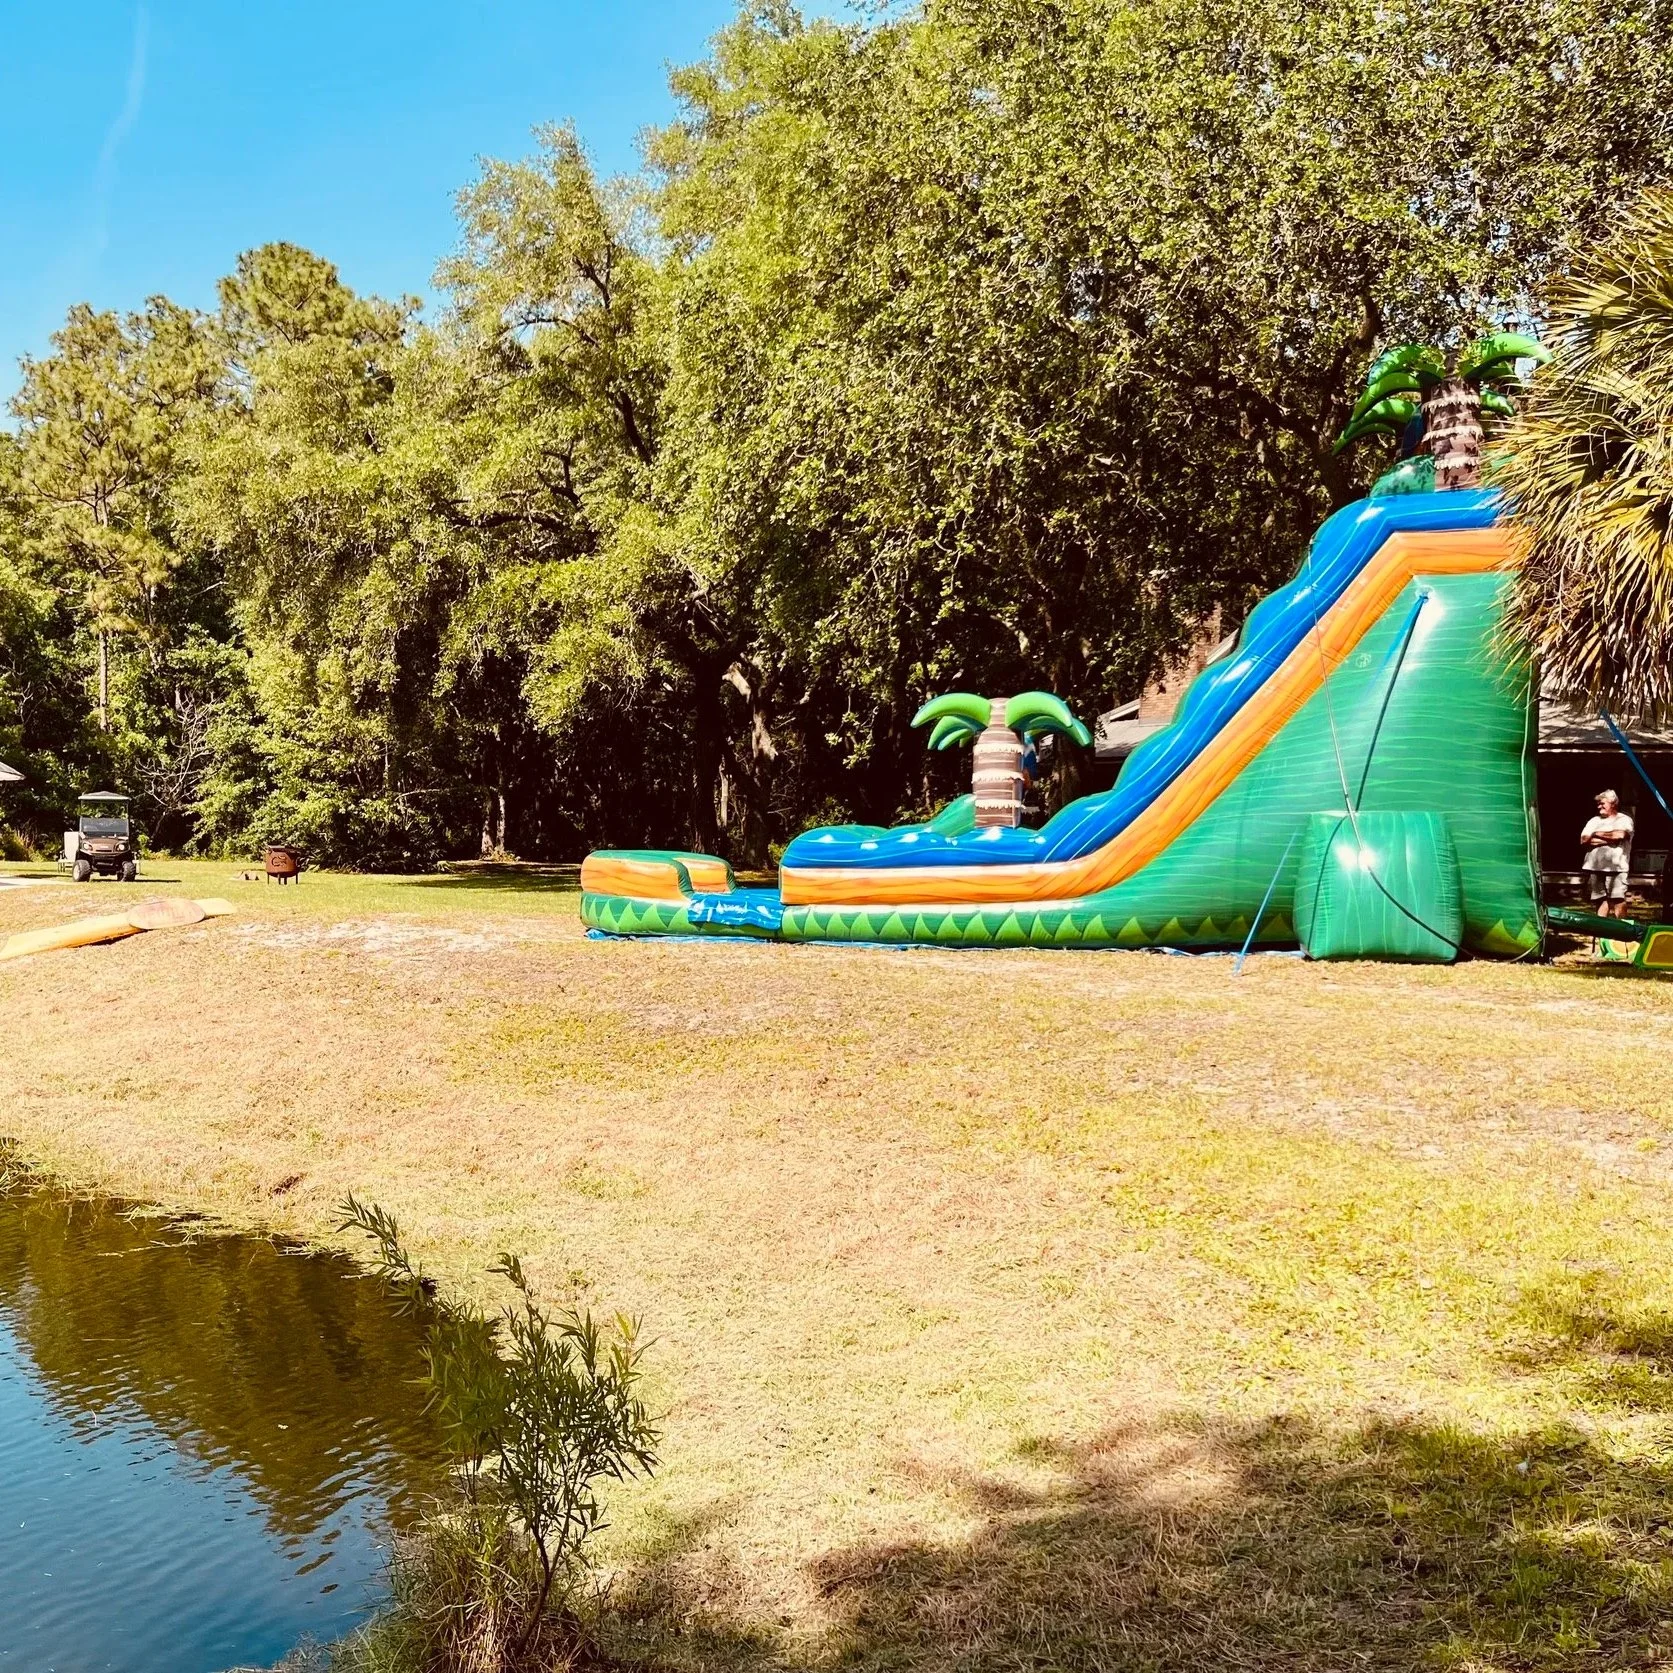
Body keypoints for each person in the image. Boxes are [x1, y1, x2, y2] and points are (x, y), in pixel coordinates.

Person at [1581, 789, 1635, 919]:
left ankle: (1623, 933)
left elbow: (1620, 835)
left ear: (1613, 803)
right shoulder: (1594, 820)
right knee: (1599, 900)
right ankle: (1601, 933)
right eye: (1598, 803)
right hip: (1594, 867)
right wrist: (1610, 838)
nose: (1599, 806)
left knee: (1618, 899)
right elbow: (1584, 839)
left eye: (1602, 803)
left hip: (1616, 867)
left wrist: (1596, 834)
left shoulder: (1624, 819)